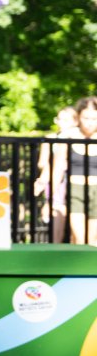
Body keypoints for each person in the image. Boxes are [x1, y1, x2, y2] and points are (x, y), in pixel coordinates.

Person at [33, 105, 78, 243]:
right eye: (59, 119)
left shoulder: (79, 137)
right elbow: (43, 163)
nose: (61, 123)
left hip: (75, 180)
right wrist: (43, 179)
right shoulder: (52, 138)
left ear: (75, 121)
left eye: (66, 120)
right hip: (56, 180)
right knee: (55, 213)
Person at [68, 97, 97, 246]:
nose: (90, 122)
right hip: (75, 189)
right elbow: (58, 168)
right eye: (86, 117)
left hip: (96, 191)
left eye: (94, 118)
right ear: (79, 117)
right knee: (79, 238)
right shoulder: (69, 137)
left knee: (93, 240)